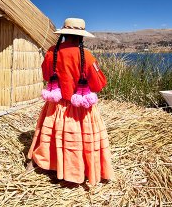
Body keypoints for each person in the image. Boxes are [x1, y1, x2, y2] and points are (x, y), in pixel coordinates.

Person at [27, 18, 114, 185]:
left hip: (56, 106)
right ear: (81, 37)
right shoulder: (87, 57)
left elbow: (46, 76)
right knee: (75, 142)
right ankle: (75, 172)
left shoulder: (52, 52)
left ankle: (50, 164)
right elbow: (98, 84)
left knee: (52, 136)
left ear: (64, 34)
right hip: (79, 109)